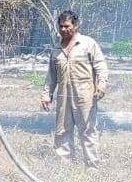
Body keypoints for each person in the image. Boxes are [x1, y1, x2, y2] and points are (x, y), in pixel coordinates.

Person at [41, 10, 108, 168]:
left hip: (84, 96)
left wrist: (101, 84)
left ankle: (92, 167)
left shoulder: (87, 44)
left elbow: (100, 66)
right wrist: (46, 94)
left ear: (76, 26)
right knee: (62, 131)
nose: (63, 30)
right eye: (61, 26)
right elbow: (51, 76)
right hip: (63, 97)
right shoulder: (56, 50)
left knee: (88, 131)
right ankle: (65, 166)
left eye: (67, 26)